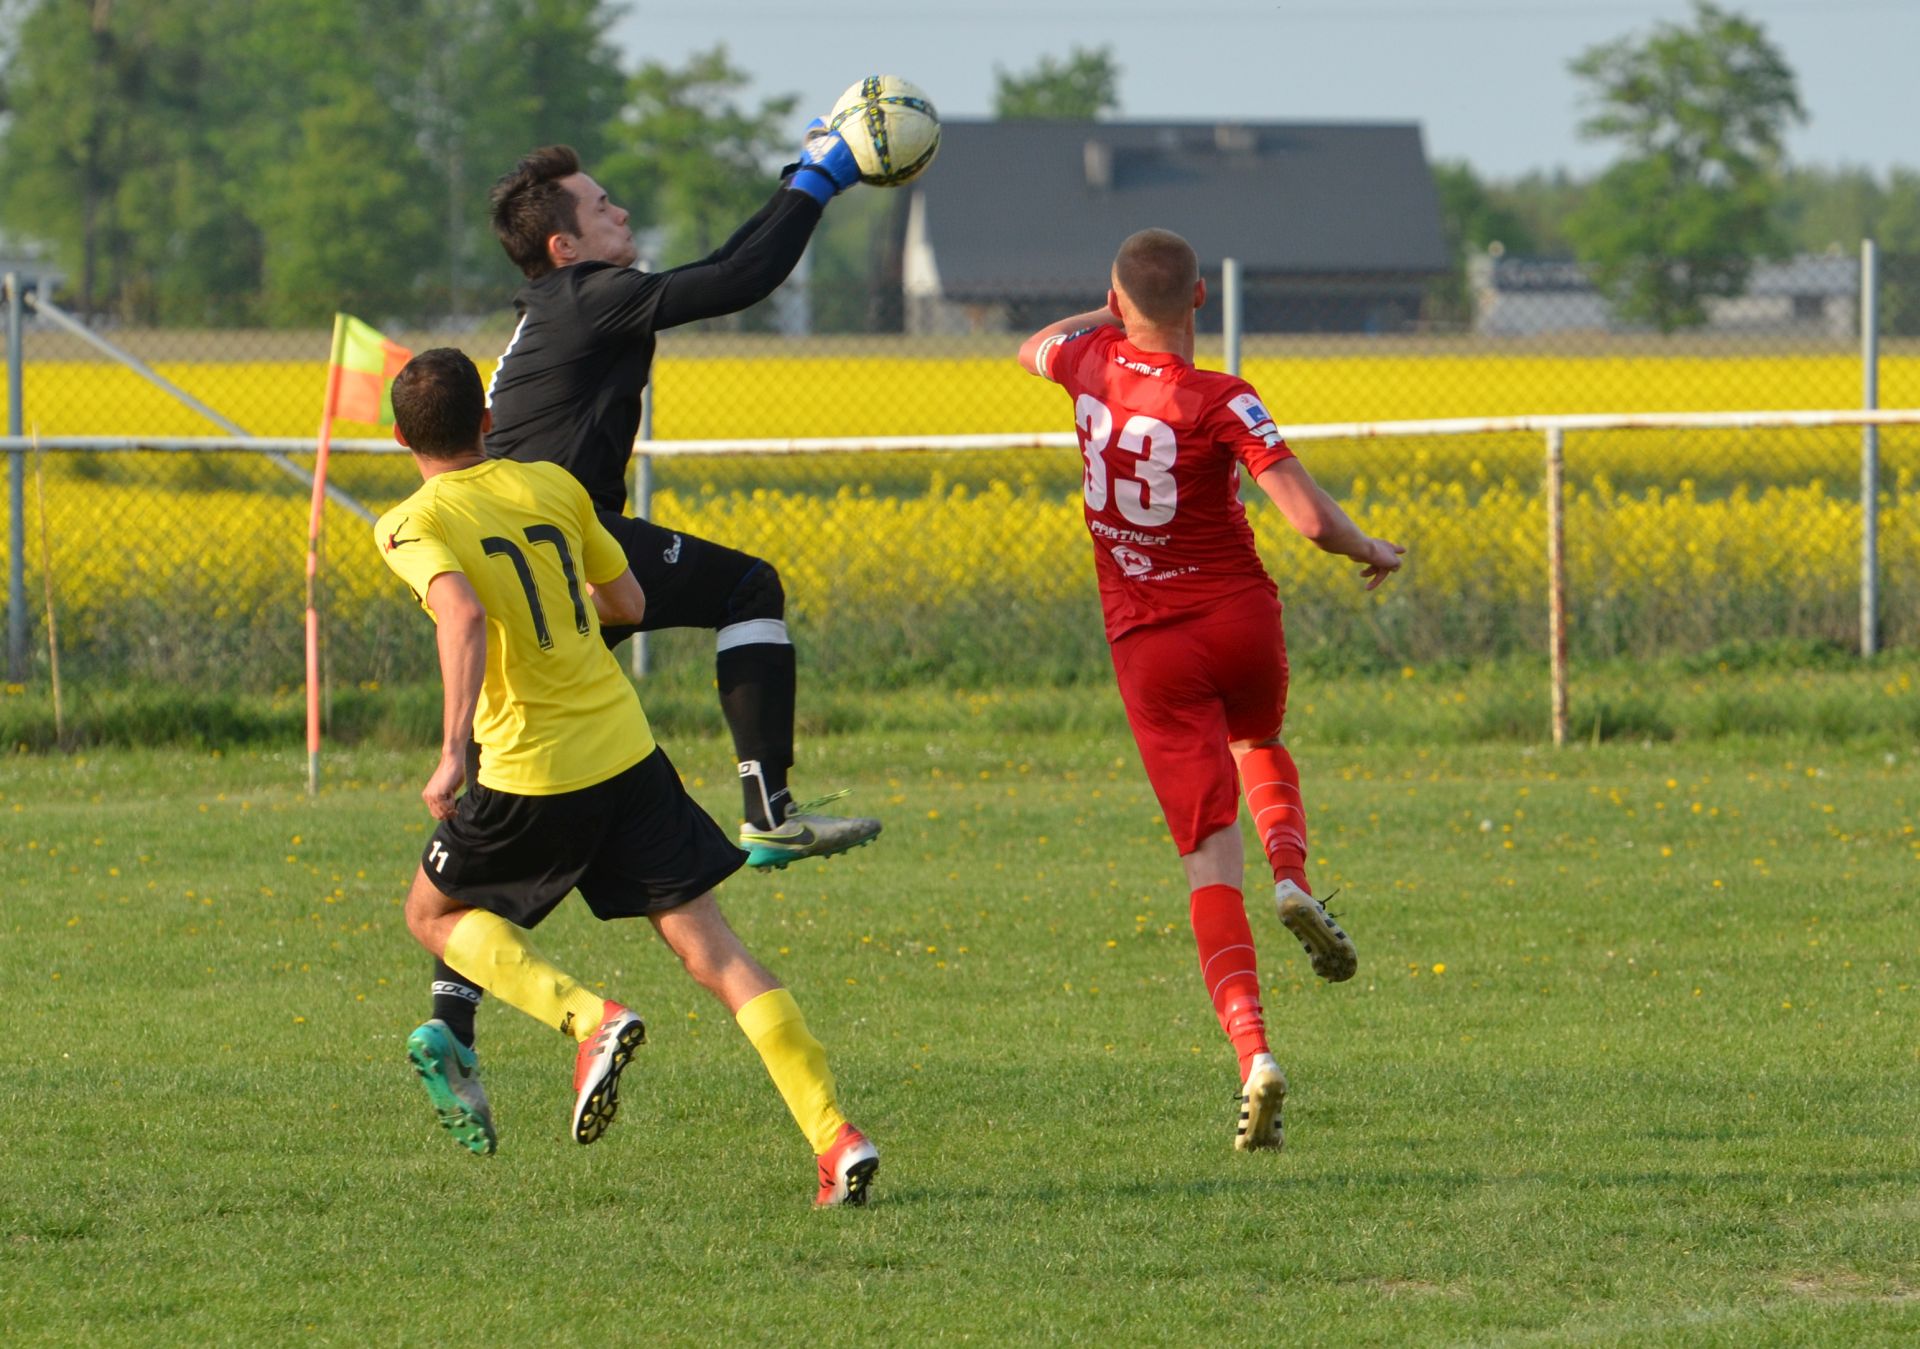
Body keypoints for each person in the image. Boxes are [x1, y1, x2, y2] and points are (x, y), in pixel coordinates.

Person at [417, 125, 886, 1066]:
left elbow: (721, 267)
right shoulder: (589, 298)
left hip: (528, 558)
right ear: (565, 245)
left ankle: (450, 1019)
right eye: (602, 206)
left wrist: (799, 180)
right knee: (749, 586)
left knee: (517, 785)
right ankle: (766, 804)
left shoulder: (570, 300)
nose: (621, 211)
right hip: (563, 542)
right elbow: (741, 280)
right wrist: (823, 179)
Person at [377, 347, 877, 1207]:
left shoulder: (409, 521)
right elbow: (631, 604)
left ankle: (588, 1019)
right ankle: (835, 1134)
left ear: (399, 437)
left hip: (530, 768)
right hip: (626, 751)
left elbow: (460, 612)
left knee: (431, 912)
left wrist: (453, 748)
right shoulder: (553, 487)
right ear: (488, 422)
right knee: (714, 950)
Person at [1016, 228, 1405, 1152]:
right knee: (1259, 740)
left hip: (1149, 644)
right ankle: (1294, 878)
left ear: (1116, 300)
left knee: (1206, 859)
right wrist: (1372, 548)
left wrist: (1110, 313)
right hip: (1238, 618)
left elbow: (1031, 344)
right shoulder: (1224, 397)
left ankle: (1255, 1055)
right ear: (1200, 299)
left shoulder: (1086, 362)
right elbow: (1309, 520)